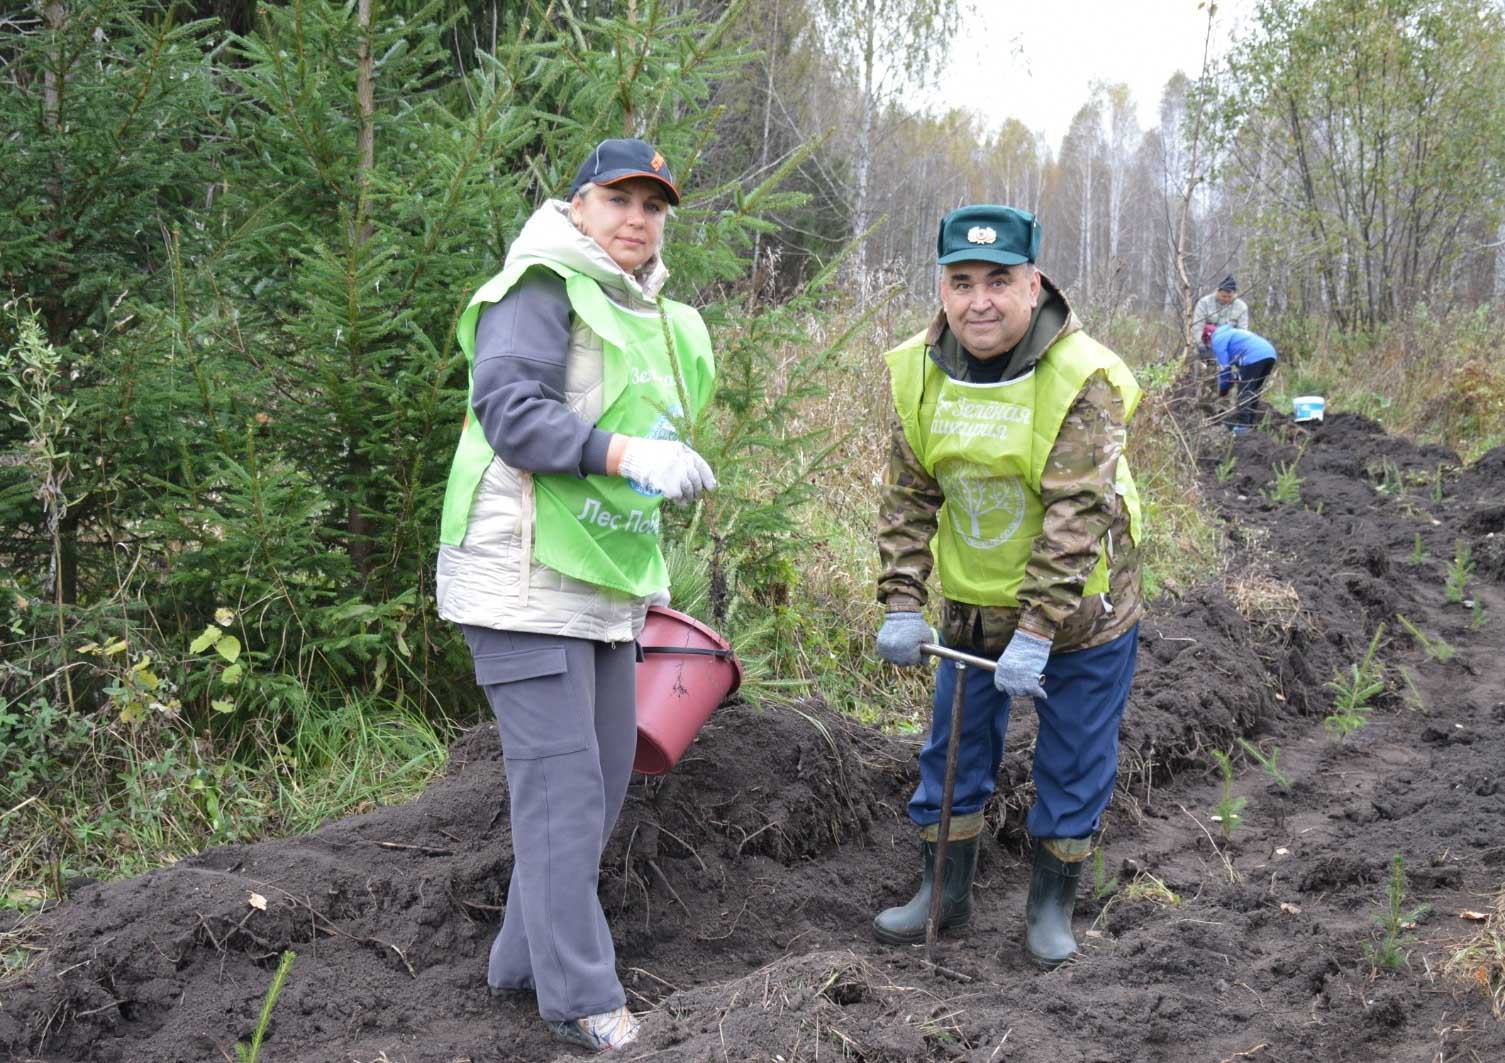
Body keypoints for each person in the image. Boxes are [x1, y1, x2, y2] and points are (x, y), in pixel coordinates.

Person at [435, 138, 716, 1052]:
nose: (636, 219)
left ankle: (521, 962)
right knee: (559, 793)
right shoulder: (541, 284)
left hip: (597, 578)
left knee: (592, 792)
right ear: (578, 204)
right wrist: (628, 456)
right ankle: (584, 998)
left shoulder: (640, 310)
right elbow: (508, 410)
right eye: (617, 200)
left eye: (653, 205)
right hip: (517, 577)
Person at [872, 204, 1143, 969]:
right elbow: (907, 494)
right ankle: (943, 891)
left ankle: (1050, 905)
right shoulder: (915, 370)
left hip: (1082, 609)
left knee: (1072, 754)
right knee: (951, 751)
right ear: (942, 287)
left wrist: (1036, 629)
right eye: (961, 282)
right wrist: (900, 599)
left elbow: (1074, 514)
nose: (978, 300)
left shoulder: (1081, 375)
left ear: (1032, 284)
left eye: (997, 280)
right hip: (970, 607)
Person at [1207, 322, 1278, 434]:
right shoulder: (1231, 333)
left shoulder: (1217, 339)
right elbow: (1240, 369)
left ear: (1208, 337)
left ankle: (1243, 426)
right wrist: (1234, 377)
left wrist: (1223, 388)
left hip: (1254, 356)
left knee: (1244, 391)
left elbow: (1224, 367)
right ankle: (1250, 424)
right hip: (1269, 354)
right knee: (1253, 391)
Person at [1193, 275, 1250, 349]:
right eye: (1223, 296)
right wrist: (1201, 345)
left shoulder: (1242, 307)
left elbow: (1243, 331)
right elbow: (1197, 327)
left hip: (1229, 345)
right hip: (1206, 343)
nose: (1226, 299)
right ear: (1217, 292)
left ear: (1235, 294)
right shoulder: (1204, 303)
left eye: (1229, 297)